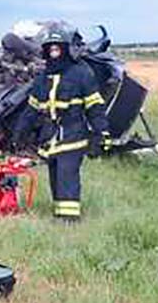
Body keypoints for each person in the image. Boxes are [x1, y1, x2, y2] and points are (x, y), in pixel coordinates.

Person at [11, 24, 108, 221]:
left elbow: (94, 107)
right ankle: (60, 214)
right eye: (50, 48)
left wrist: (101, 134)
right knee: (55, 177)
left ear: (65, 48)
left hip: (74, 136)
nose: (54, 52)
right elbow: (32, 109)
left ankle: (70, 220)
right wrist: (19, 132)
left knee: (67, 176)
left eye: (58, 47)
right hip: (51, 137)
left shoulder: (81, 74)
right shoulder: (42, 78)